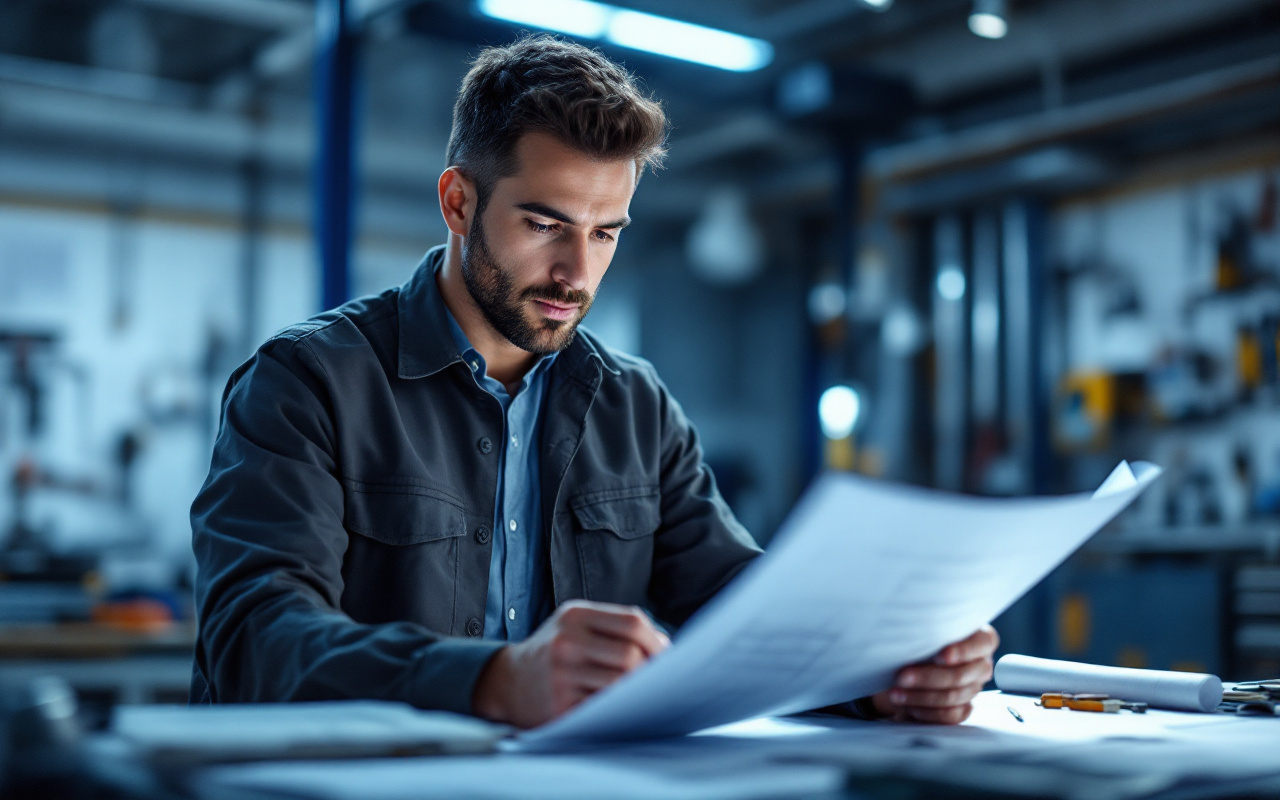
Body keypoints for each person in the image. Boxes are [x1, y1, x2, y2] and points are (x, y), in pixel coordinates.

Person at [190, 35, 997, 729]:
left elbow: (742, 611)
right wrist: (494, 682)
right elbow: (254, 639)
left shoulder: (635, 408)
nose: (576, 272)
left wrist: (887, 667)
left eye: (605, 232)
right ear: (458, 202)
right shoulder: (307, 383)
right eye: (545, 225)